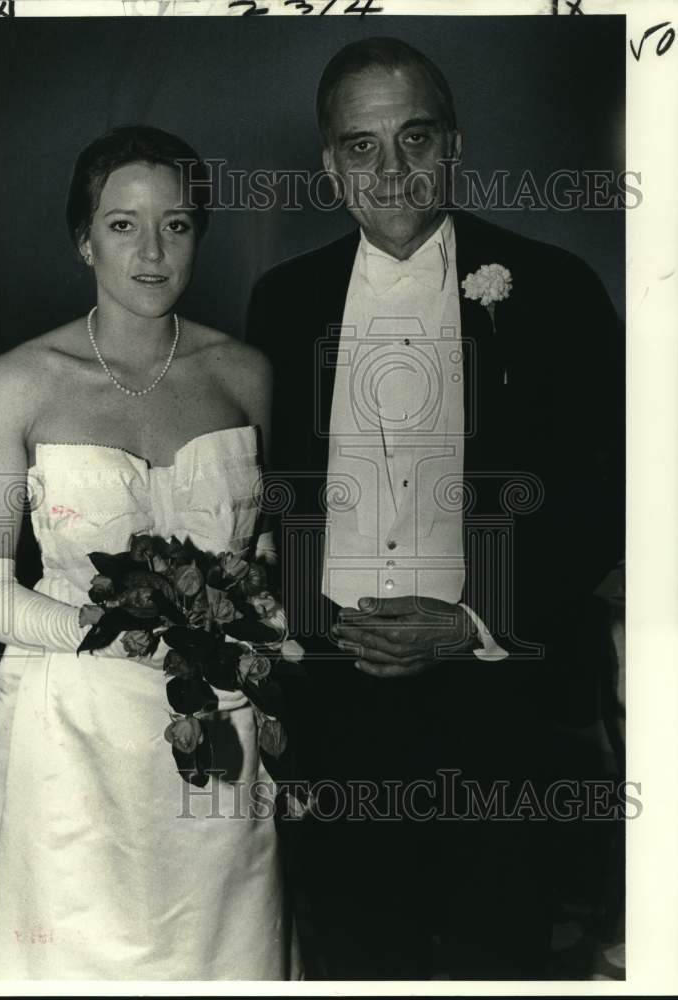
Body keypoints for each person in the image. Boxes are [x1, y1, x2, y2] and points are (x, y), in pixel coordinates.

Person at [246, 37, 624, 979]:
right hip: (327, 705)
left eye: (414, 137)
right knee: (347, 958)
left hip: (500, 701)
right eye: (361, 146)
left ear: (453, 144)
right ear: (330, 165)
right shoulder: (280, 303)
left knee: (495, 960)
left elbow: (613, 493)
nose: (392, 169)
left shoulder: (555, 288)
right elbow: (270, 493)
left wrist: (471, 624)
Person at [0, 125, 301, 980]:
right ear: (83, 238)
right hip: (71, 735)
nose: (151, 250)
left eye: (176, 225)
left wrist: (257, 631)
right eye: (121, 224)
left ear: (198, 236)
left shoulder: (245, 373)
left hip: (214, 727)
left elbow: (255, 559)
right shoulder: (21, 381)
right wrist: (123, 632)